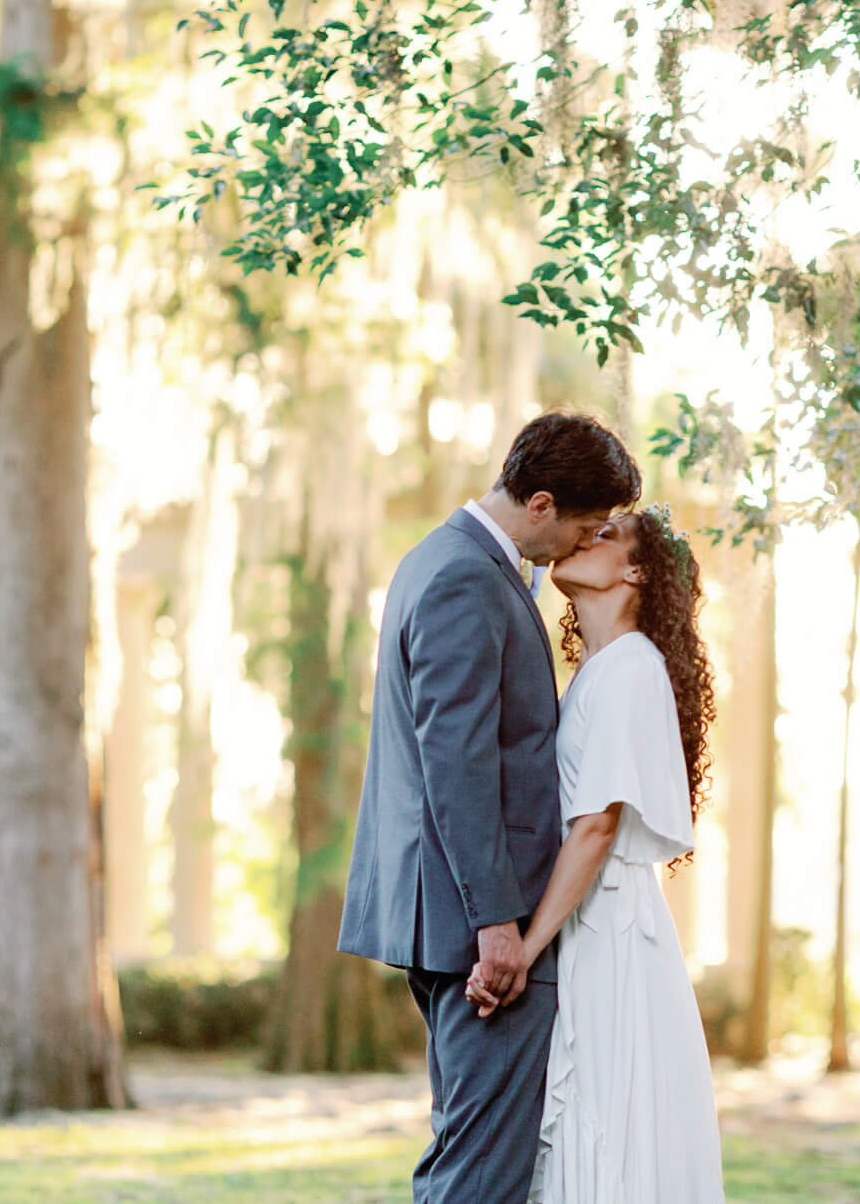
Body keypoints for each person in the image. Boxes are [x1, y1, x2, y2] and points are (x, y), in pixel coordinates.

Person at [338, 411, 642, 1204]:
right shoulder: (467, 577)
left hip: (454, 919)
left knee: (468, 1155)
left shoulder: (438, 558)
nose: (584, 544)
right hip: (480, 933)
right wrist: (498, 923)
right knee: (481, 1178)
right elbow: (457, 760)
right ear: (540, 503)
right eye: (584, 526)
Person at [465, 502, 727, 1204]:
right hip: (593, 923)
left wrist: (524, 943)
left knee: (610, 1129)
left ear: (636, 570)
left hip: (608, 929)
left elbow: (596, 827)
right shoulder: (601, 670)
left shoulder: (630, 670)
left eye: (604, 535)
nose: (583, 538)